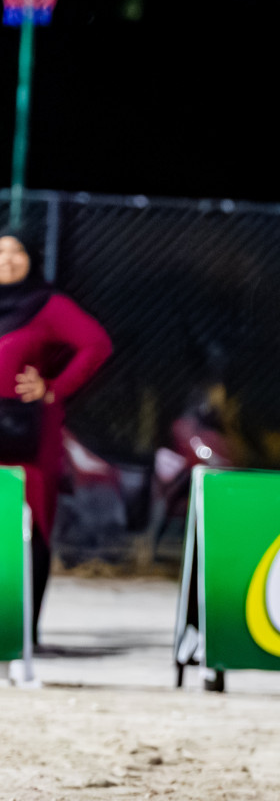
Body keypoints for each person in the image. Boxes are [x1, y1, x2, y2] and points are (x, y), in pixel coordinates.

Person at [0, 233, 111, 644]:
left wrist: (54, 388)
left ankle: (23, 632)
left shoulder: (46, 305)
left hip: (24, 436)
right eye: (0, 252)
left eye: (18, 252)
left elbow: (96, 344)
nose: (8, 260)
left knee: (31, 525)